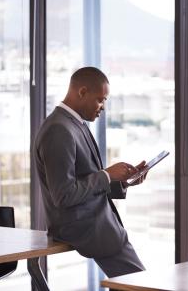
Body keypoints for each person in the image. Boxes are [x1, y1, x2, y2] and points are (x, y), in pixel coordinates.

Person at [33, 66, 146, 278]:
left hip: (94, 220)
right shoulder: (59, 130)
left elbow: (84, 180)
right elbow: (64, 195)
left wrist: (122, 181)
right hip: (81, 225)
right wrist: (106, 175)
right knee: (140, 283)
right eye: (100, 100)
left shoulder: (75, 124)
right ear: (82, 92)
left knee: (135, 281)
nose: (103, 107)